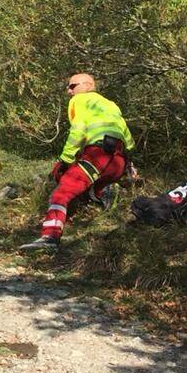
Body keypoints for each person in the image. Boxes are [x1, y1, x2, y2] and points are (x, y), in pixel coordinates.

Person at [20, 72, 135, 252]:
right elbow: (127, 135)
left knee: (62, 192)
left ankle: (50, 236)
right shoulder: (110, 104)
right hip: (118, 161)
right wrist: (129, 164)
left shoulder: (80, 100)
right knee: (93, 186)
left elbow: (78, 130)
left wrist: (64, 160)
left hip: (97, 154)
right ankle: (104, 193)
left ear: (88, 85)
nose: (69, 91)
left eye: (72, 86)